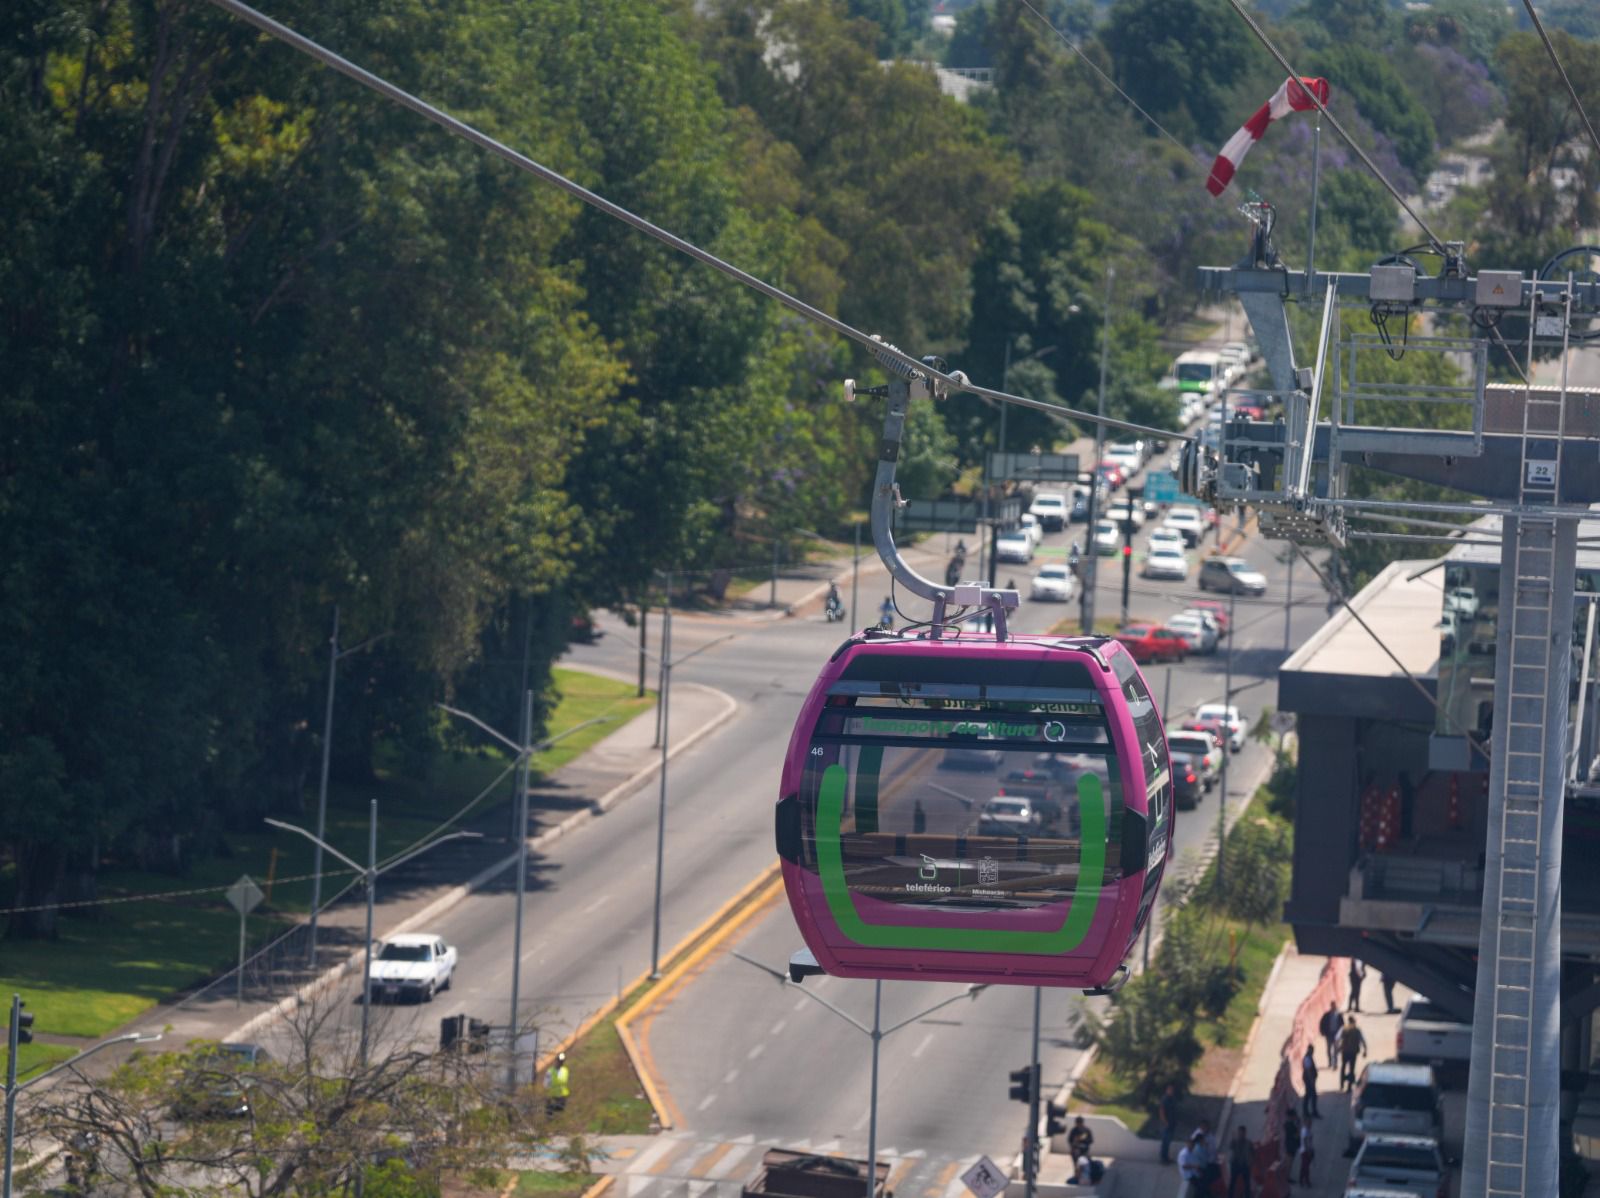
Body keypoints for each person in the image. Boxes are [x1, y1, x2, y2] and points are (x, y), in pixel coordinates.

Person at [1338, 1016, 1368, 1091]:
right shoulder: (1357, 1030)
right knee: (1351, 1068)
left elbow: (1337, 1038)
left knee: (1343, 1067)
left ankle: (1342, 1085)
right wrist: (1365, 1050)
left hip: (1345, 1051)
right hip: (1353, 1052)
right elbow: (1362, 1040)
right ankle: (1349, 1087)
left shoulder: (1344, 1029)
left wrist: (1338, 1048)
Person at [1227, 1125, 1253, 1198]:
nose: (1241, 1134)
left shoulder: (1249, 1143)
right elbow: (1230, 1147)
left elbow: (1253, 1153)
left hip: (1245, 1165)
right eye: (1239, 1132)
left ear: (1245, 1133)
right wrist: (1232, 1138)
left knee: (1247, 1183)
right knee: (1232, 1182)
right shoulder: (1234, 1141)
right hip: (1235, 1164)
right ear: (1238, 1133)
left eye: (1242, 1132)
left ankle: (1247, 1196)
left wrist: (1251, 1162)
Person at [1158, 1082, 1180, 1165]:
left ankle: (1167, 1158)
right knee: (1165, 1142)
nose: (1171, 1091)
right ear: (1167, 1090)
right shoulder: (1165, 1099)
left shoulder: (1172, 1098)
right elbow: (1161, 1111)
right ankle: (1163, 1159)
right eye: (1170, 1089)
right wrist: (1165, 1122)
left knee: (1168, 1142)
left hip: (1172, 1123)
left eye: (1172, 1090)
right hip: (1166, 1125)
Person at [545, 1050, 571, 1115]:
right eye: (559, 1061)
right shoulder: (550, 1072)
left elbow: (566, 1082)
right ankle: (549, 1112)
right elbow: (546, 1084)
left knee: (561, 1109)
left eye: (562, 1061)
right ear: (556, 1061)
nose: (560, 1063)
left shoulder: (565, 1070)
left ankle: (550, 1109)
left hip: (562, 1095)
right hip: (553, 1095)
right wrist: (548, 1096)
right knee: (552, 1108)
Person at [1318, 1001, 1343, 1069]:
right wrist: (1322, 1032)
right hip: (1329, 1035)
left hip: (1336, 1035)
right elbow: (1321, 1023)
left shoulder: (1339, 1015)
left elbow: (1342, 1025)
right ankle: (1330, 1062)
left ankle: (1335, 1064)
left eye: (1334, 1005)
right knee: (1329, 1049)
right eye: (1332, 1005)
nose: (1333, 1007)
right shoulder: (1326, 1015)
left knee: (1335, 1050)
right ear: (1331, 1006)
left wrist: (1341, 1034)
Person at [1281, 1109, 1302, 1188]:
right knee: (1289, 1162)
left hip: (1289, 1144)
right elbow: (1296, 1135)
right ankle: (1287, 1177)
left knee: (1288, 1161)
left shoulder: (1288, 1124)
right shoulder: (1290, 1125)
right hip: (1291, 1145)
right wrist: (1299, 1129)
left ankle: (1286, 1175)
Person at [1300, 1044, 1320, 1119]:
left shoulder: (1309, 1057)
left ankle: (1308, 1112)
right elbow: (1308, 1070)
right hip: (1309, 1080)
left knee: (1309, 1095)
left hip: (1310, 1079)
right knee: (1311, 1095)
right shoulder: (1307, 1058)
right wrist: (1311, 1081)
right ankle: (1309, 1112)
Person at [1297, 1119, 1315, 1187]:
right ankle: (1306, 1180)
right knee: (1306, 1166)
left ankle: (1302, 1179)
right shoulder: (1305, 1131)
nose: (1310, 1124)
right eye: (1309, 1123)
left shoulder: (1307, 1130)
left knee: (1304, 1166)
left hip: (1307, 1150)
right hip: (1305, 1151)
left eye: (1310, 1123)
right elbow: (1305, 1142)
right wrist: (1308, 1150)